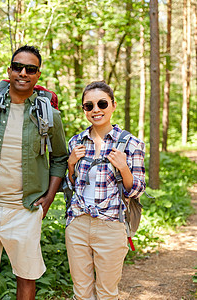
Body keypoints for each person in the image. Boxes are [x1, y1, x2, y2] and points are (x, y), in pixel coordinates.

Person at [0, 45, 68, 299]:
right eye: (18, 67)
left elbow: (60, 158)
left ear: (37, 75)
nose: (23, 73)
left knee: (26, 276)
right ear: (9, 70)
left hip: (26, 209)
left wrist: (50, 197)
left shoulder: (49, 115)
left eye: (30, 69)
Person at [65, 81, 146, 299]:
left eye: (102, 103)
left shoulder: (131, 144)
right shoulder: (76, 141)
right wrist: (71, 164)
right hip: (78, 224)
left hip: (111, 225)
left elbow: (137, 190)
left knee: (107, 293)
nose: (95, 110)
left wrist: (124, 168)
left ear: (113, 105)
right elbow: (72, 185)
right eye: (88, 106)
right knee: (81, 293)